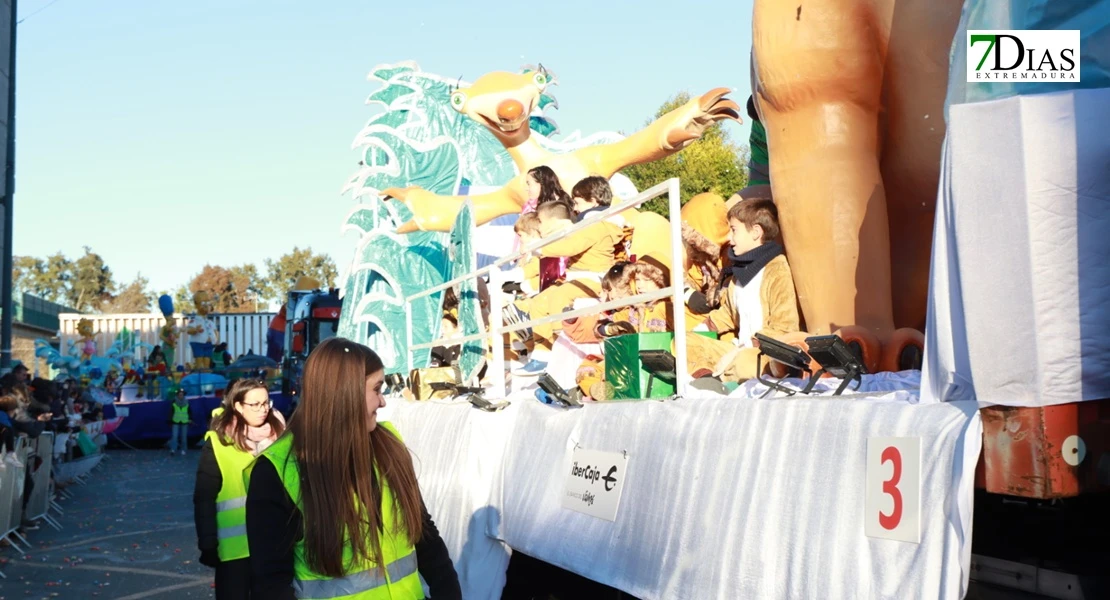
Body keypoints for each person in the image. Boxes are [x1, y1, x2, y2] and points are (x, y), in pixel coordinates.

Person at [245, 338, 461, 600]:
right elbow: (271, 584)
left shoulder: (388, 445)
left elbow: (424, 535)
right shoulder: (275, 472)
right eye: (377, 389)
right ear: (345, 392)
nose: (383, 402)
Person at [685, 197, 801, 382]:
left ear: (756, 232)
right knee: (683, 342)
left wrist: (741, 350)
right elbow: (727, 314)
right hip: (738, 349)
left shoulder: (776, 269)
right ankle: (707, 380)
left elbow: (784, 328)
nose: (729, 238)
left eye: (734, 230)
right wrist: (699, 331)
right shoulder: (740, 272)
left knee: (744, 363)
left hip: (763, 353)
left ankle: (722, 375)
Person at [194, 379, 286, 599]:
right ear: (238, 406)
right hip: (235, 552)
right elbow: (204, 498)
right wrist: (208, 542)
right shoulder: (219, 442)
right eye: (255, 404)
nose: (263, 409)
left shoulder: (283, 437)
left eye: (266, 403)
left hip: (277, 547)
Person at [167, 387, 193, 456]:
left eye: (182, 394)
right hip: (176, 421)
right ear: (177, 395)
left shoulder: (187, 402)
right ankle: (173, 449)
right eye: (179, 394)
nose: (181, 396)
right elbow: (171, 412)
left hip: (184, 421)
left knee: (184, 437)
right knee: (174, 436)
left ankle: (184, 450)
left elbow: (189, 411)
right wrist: (169, 420)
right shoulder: (174, 402)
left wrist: (190, 419)